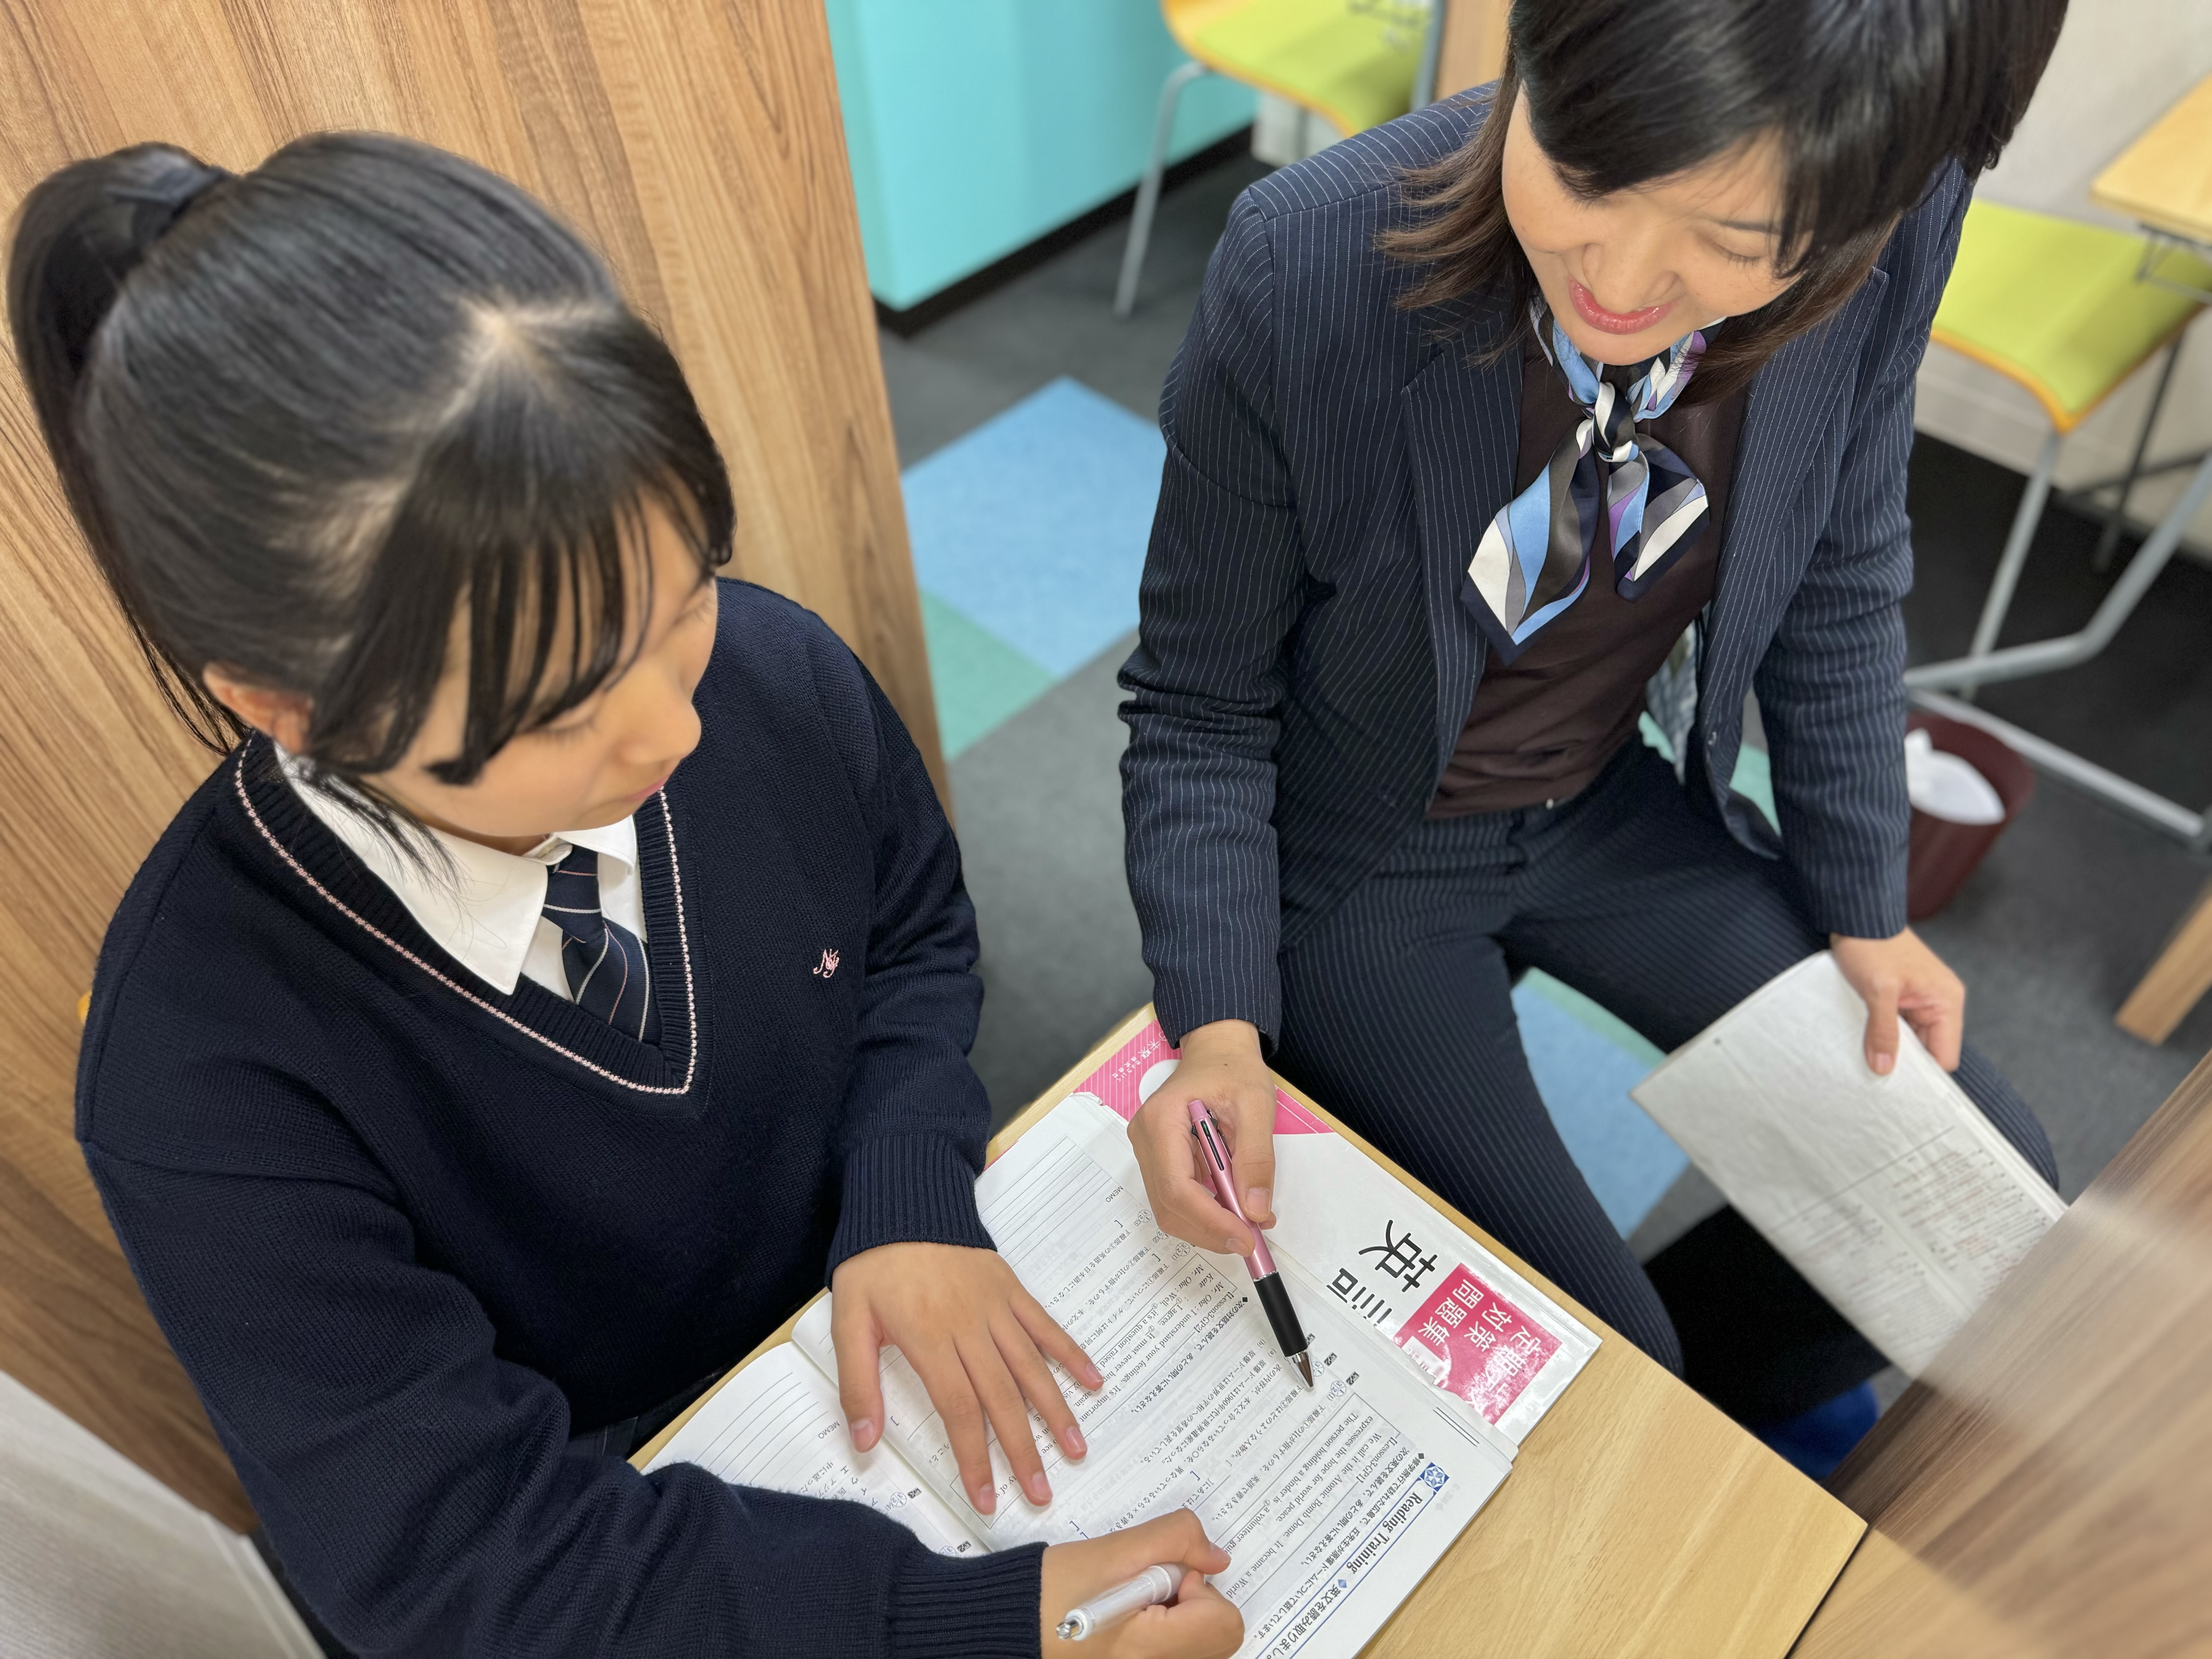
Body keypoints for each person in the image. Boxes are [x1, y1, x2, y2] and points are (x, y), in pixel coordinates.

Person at [14, 134, 1241, 1659]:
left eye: (683, 595)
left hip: (881, 1325)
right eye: (558, 706)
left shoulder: (769, 675)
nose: (673, 728)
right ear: (290, 708)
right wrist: (967, 1629)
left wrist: (907, 1186)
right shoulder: (199, 1070)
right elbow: (475, 1566)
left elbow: (913, 929)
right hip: (640, 1526)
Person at [1120, 0, 2068, 1424]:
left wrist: (1866, 904)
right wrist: (1213, 1027)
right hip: (1366, 857)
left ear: (1849, 229)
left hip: (1610, 800)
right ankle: (1647, 1401)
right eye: (1584, 175)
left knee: (1988, 1194)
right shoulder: (1308, 261)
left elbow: (1841, 558)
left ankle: (1704, 1417)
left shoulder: (1897, 217)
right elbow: (1197, 704)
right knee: (1601, 1371)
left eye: (1731, 241)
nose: (1619, 279)